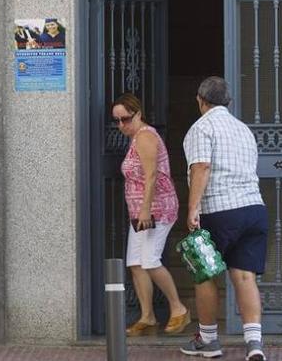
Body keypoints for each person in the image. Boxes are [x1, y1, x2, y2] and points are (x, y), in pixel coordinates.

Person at [180, 77, 268, 361]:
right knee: (244, 276)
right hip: (253, 208)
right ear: (227, 101)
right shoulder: (244, 130)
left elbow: (201, 167)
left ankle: (208, 340)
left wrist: (193, 208)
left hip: (219, 210)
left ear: (200, 100)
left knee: (205, 274)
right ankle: (254, 343)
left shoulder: (201, 128)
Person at [112, 93, 191, 336]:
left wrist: (146, 208)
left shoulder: (146, 136)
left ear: (137, 114)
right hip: (139, 212)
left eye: (125, 119)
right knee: (135, 262)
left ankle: (179, 309)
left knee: (149, 260)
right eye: (117, 120)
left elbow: (152, 176)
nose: (121, 125)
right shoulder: (135, 138)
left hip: (157, 209)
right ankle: (147, 316)